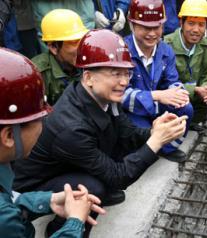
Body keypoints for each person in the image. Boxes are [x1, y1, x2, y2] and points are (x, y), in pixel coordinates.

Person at [12, 29, 187, 237]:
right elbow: (118, 176)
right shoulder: (71, 128)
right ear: (88, 77)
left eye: (126, 73)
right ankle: (59, 230)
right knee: (92, 189)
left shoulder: (100, 96)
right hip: (31, 185)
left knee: (119, 144)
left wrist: (153, 131)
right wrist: (156, 142)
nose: (124, 81)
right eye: (115, 73)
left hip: (67, 162)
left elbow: (128, 133)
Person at [0, 47, 105, 238]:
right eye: (39, 119)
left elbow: (11, 199)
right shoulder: (4, 220)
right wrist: (74, 223)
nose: (43, 126)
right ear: (8, 135)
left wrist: (49, 200)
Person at [122, 0, 193, 162]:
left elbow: (172, 80)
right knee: (141, 135)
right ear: (131, 24)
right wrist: (157, 96)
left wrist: (178, 92)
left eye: (157, 27)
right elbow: (120, 96)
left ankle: (166, 149)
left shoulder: (165, 50)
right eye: (146, 28)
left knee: (185, 109)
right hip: (133, 111)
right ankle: (145, 150)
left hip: (155, 107)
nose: (152, 33)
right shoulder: (122, 50)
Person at [164, 0, 207, 131]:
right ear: (181, 23)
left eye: (201, 25)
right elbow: (164, 83)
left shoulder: (204, 45)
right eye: (191, 23)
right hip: (174, 96)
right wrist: (194, 90)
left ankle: (192, 120)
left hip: (195, 94)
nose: (196, 30)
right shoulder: (166, 45)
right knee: (181, 103)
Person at [31, 9, 88, 105]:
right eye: (74, 42)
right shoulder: (38, 74)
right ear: (53, 47)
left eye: (82, 40)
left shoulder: (90, 62)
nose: (81, 48)